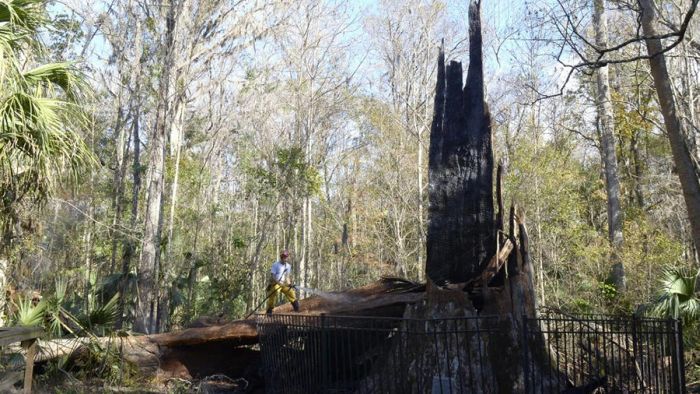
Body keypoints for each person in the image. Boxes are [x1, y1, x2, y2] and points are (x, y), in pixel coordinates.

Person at [266, 250, 300, 314]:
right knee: (274, 292)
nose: (285, 258)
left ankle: (296, 306)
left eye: (286, 257)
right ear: (281, 257)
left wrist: (289, 284)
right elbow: (273, 276)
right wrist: (279, 283)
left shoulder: (288, 266)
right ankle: (269, 310)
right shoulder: (275, 265)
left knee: (291, 292)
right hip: (276, 283)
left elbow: (287, 277)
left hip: (283, 284)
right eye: (284, 257)